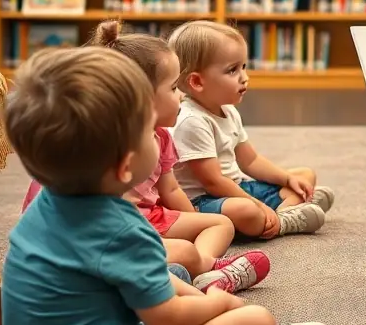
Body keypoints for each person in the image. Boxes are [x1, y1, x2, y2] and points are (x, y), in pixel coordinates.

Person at [2, 47, 339, 325]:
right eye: (150, 130)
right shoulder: (124, 230)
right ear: (125, 166)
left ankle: (224, 311)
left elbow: (125, 275)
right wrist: (217, 304)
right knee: (255, 324)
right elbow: (167, 320)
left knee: (173, 275)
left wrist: (196, 296)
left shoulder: (45, 205)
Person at [20, 20, 270, 294]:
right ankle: (204, 271)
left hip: (143, 221)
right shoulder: (98, 153)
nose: (182, 96)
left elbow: (170, 189)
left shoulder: (161, 137)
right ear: (141, 98)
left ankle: (195, 271)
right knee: (185, 253)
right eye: (174, 88)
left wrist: (192, 221)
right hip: (101, 242)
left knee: (220, 224)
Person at [168, 20, 334, 239]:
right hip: (205, 200)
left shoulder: (228, 111)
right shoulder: (192, 121)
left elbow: (251, 161)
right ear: (197, 81)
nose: (245, 77)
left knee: (304, 175)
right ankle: (283, 219)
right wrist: (256, 204)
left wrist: (286, 179)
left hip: (238, 187)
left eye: (244, 67)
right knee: (245, 211)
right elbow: (213, 182)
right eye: (232, 70)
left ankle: (281, 215)